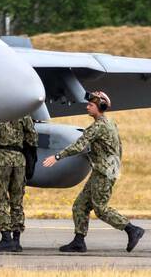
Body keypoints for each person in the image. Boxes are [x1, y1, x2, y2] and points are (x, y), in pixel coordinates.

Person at [42, 90, 145, 253]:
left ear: (100, 107)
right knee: (80, 206)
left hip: (104, 173)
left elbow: (78, 145)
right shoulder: (110, 123)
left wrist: (57, 156)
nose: (87, 107)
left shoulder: (98, 127)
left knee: (100, 209)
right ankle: (78, 241)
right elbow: (118, 147)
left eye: (91, 105)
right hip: (102, 170)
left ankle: (132, 229)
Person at [0, 114, 37, 253]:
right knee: (17, 200)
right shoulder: (24, 113)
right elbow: (33, 137)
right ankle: (16, 241)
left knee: (0, 197)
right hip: (19, 159)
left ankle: (6, 238)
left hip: (1, 158)